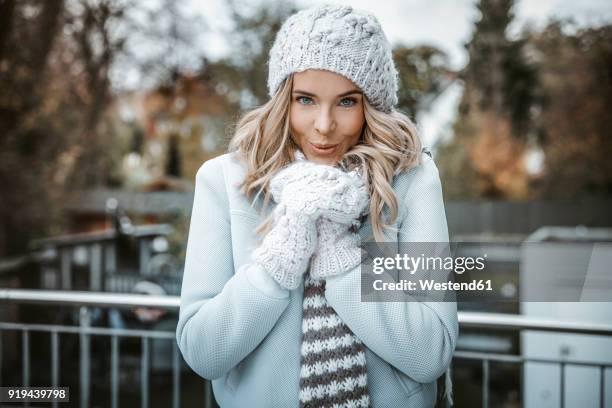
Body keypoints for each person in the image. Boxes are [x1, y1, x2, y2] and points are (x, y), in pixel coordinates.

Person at [176, 4, 458, 407]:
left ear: (371, 105)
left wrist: (341, 260)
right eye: (305, 99)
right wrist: (280, 259)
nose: (323, 125)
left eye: (346, 102)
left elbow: (432, 352)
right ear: (283, 99)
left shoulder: (412, 179)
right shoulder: (223, 180)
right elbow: (202, 351)